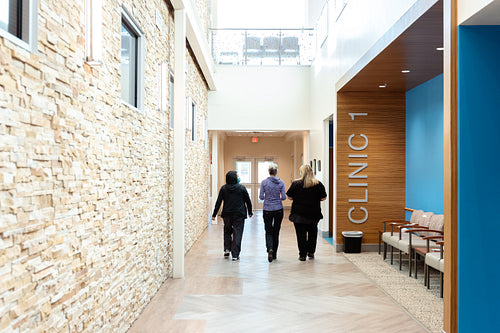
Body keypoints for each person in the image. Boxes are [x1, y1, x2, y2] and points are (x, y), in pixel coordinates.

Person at [286, 164, 327, 261]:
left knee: (301, 235)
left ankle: (302, 255)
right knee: (313, 234)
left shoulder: (296, 184)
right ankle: (311, 252)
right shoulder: (318, 184)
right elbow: (323, 197)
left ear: (302, 173)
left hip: (299, 214)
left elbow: (289, 196)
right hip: (313, 214)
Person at [212, 170, 253, 261]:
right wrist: (250, 211)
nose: (238, 177)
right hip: (239, 214)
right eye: (237, 176)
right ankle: (235, 254)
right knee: (237, 233)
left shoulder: (223, 188)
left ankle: (227, 249)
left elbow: (218, 202)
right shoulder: (242, 188)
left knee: (227, 231)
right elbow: (248, 201)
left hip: (227, 214)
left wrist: (214, 214)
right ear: (234, 178)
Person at [259, 163, 287, 262]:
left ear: (269, 171)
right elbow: (284, 197)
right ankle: (274, 254)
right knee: (276, 231)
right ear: (276, 172)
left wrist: (268, 197)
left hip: (267, 209)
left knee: (268, 231)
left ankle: (269, 249)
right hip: (278, 209)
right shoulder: (281, 183)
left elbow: (261, 197)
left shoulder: (264, 182)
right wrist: (277, 198)